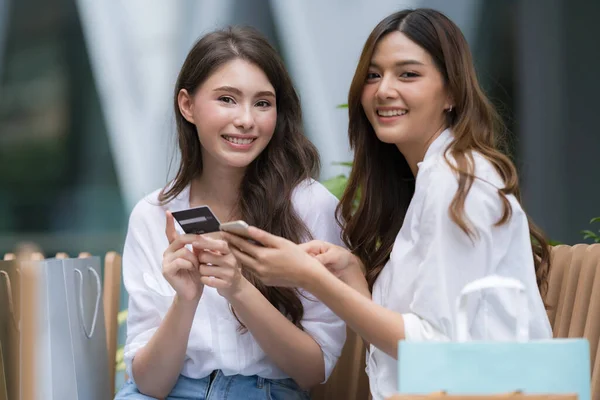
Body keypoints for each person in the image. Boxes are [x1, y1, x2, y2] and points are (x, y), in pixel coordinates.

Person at [222, 9, 553, 400]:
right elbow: (411, 339)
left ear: (451, 92)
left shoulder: (458, 182)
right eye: (374, 75)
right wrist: (350, 276)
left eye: (408, 74)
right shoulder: (432, 180)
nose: (383, 90)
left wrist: (313, 281)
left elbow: (433, 352)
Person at [115, 26, 346, 400]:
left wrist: (238, 288)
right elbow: (149, 384)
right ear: (187, 105)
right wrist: (185, 300)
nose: (246, 120)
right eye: (227, 99)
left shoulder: (309, 207)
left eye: (263, 103)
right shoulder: (153, 215)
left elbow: (312, 371)